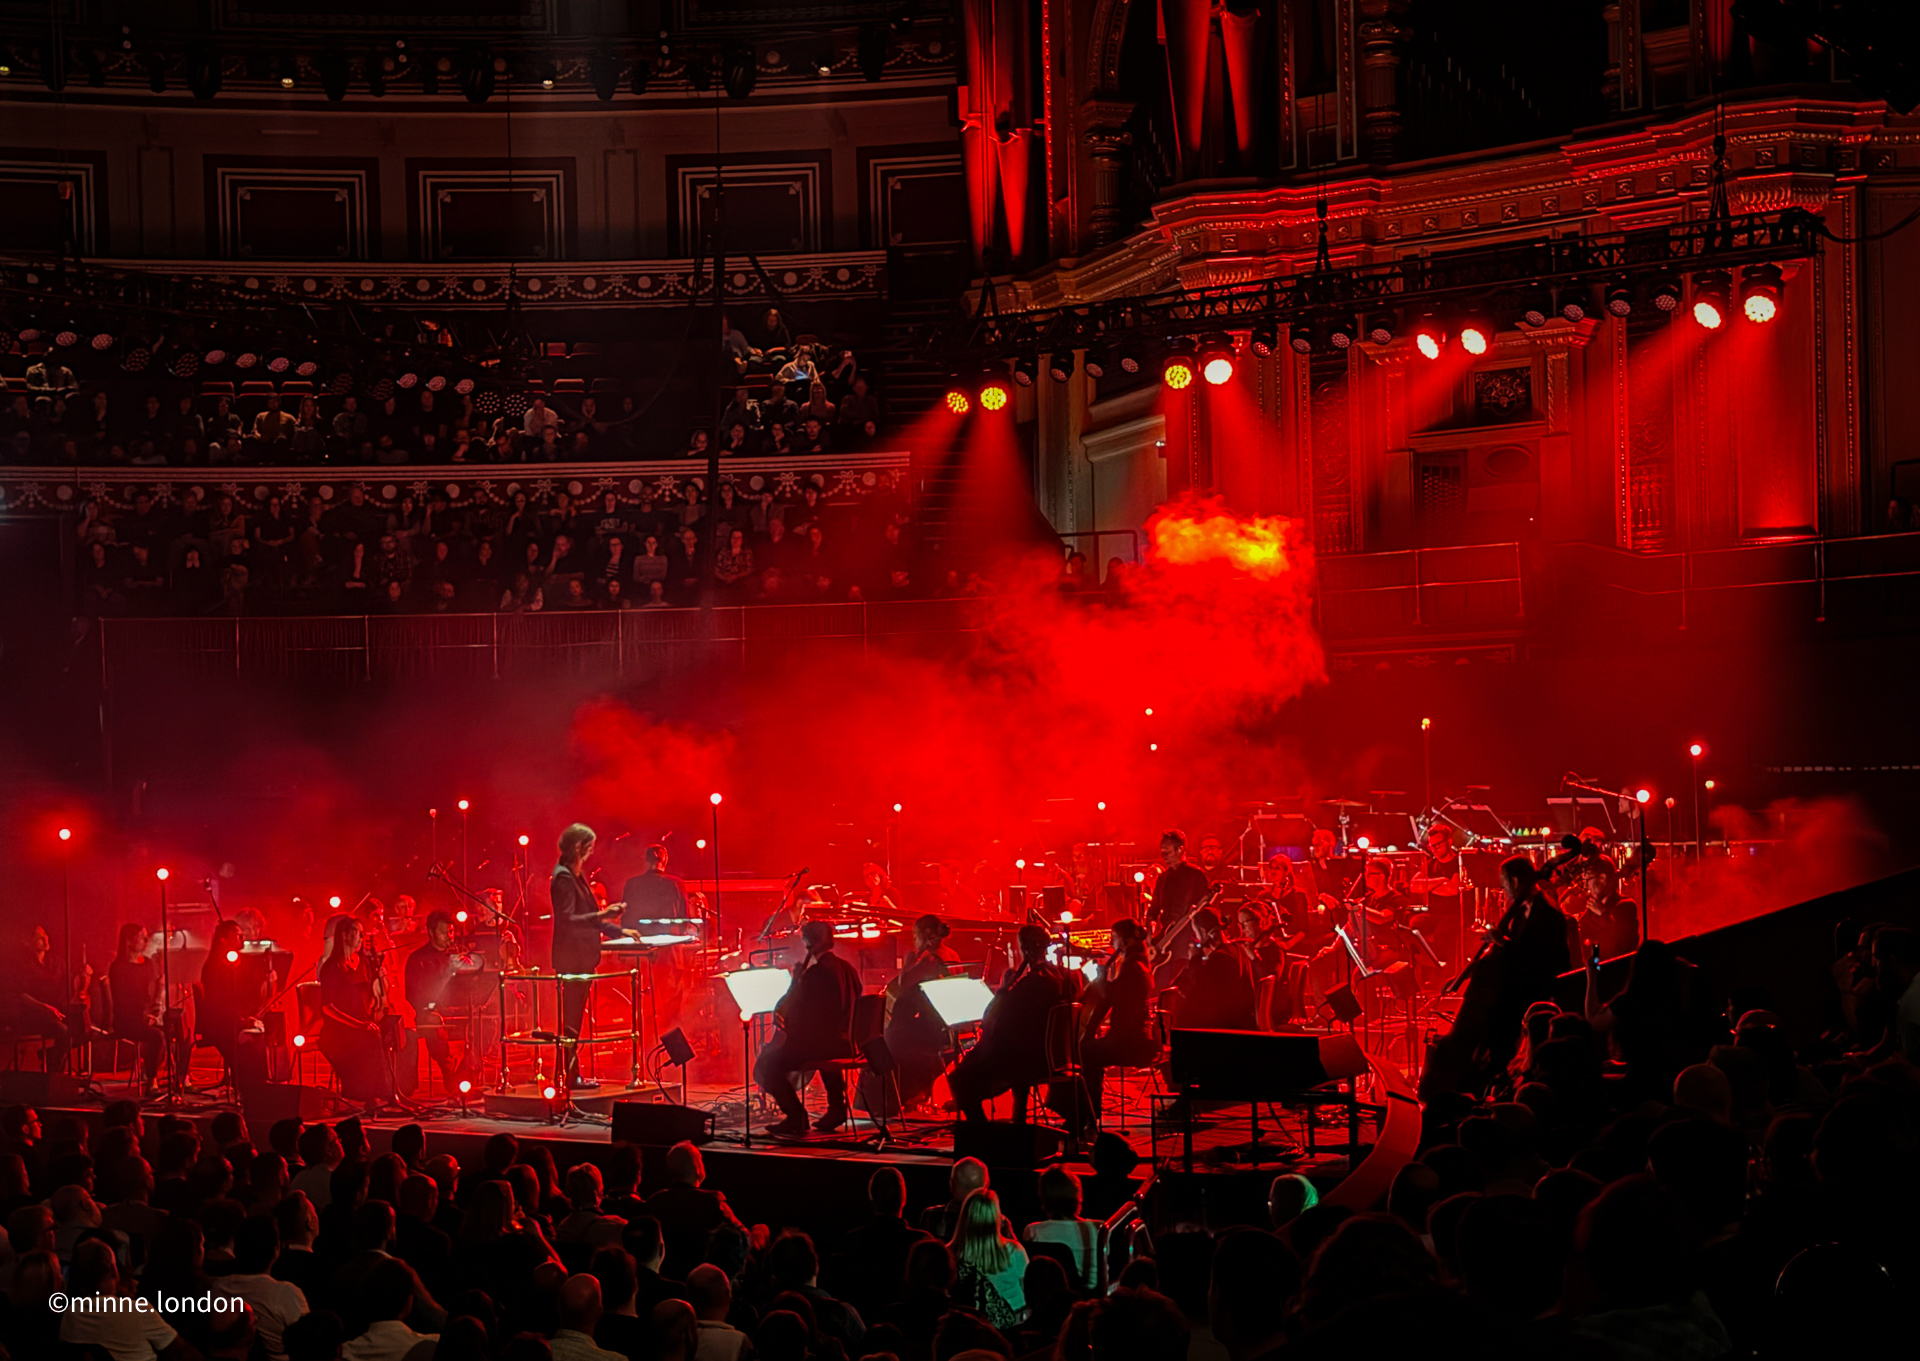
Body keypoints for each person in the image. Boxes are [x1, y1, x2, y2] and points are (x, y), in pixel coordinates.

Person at [949, 925, 1071, 1124]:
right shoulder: (1063, 978)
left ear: (1024, 950)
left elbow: (992, 1020)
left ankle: (982, 1134)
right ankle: (1015, 1124)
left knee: (959, 1079)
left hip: (1024, 1061)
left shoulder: (1029, 985)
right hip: (1051, 1057)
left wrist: (1004, 991)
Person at [754, 920, 861, 1136]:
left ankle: (796, 1116)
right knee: (826, 1050)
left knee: (768, 1065)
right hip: (848, 1043)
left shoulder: (816, 974)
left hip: (824, 1044)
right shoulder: (848, 969)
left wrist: (796, 984)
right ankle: (837, 1108)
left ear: (808, 942)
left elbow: (802, 1016)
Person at [551, 824, 630, 1091]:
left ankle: (570, 1073)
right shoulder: (563, 878)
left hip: (581, 957)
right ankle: (569, 1075)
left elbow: (589, 919)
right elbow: (569, 919)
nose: (592, 852)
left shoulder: (575, 875)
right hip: (572, 958)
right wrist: (605, 916)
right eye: (589, 846)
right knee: (571, 1019)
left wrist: (619, 931)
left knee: (574, 1018)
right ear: (578, 847)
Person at [317, 913, 397, 1112]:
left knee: (399, 1032)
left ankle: (396, 1089)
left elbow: (377, 994)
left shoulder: (365, 962)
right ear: (344, 935)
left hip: (363, 1022)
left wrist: (381, 977)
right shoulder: (332, 968)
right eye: (358, 933)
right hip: (339, 1029)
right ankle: (372, 1095)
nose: (362, 938)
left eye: (363, 934)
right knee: (369, 1039)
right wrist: (358, 1024)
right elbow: (327, 1007)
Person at [1078, 919, 1158, 1117]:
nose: (1112, 944)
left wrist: (1102, 979)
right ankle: (1089, 1111)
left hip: (1130, 1041)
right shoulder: (1139, 963)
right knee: (1089, 1049)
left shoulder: (1133, 967)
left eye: (1114, 939)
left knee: (1083, 1053)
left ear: (1127, 941)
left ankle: (1090, 1113)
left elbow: (1113, 997)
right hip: (1136, 1036)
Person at [882, 914, 962, 1111]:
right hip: (952, 1026)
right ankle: (920, 1091)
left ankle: (910, 1094)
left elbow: (903, 984)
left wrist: (910, 961)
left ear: (926, 935)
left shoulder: (931, 960)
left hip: (937, 1032)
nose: (914, 940)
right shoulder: (952, 954)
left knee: (892, 1038)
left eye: (915, 935)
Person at [641, 1142, 743, 1279]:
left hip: (666, 1275)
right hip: (704, 1278)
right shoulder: (713, 1201)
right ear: (698, 1168)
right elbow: (742, 1236)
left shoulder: (654, 1201)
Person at [198, 918, 275, 1085]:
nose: (242, 939)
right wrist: (242, 1021)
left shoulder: (244, 964)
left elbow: (249, 994)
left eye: (242, 935)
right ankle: (250, 1084)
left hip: (241, 1018)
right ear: (223, 940)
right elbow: (219, 1004)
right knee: (252, 1042)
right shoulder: (213, 968)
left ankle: (264, 1080)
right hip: (222, 1023)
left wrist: (266, 982)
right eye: (237, 935)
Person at [1, 924, 78, 1074]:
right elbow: (21, 994)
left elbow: (68, 982)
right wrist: (44, 1008)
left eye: (45, 935)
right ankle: (53, 1072)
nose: (45, 939)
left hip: (57, 1010)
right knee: (63, 1031)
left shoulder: (55, 962)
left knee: (79, 1028)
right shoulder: (24, 965)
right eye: (39, 937)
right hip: (34, 1014)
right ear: (30, 942)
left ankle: (51, 1056)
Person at [946, 1189, 1027, 1330]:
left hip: (963, 1329)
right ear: (996, 1217)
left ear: (964, 1217)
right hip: (1011, 1328)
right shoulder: (1015, 1251)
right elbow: (1027, 1293)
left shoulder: (948, 1255)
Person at [404, 910, 465, 1092]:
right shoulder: (418, 959)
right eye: (443, 932)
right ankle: (448, 1069)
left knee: (485, 1021)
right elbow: (413, 994)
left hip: (458, 1010)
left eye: (451, 932)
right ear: (430, 933)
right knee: (433, 1024)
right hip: (429, 1012)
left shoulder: (459, 954)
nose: (449, 937)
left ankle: (468, 1069)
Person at [108, 922, 170, 1098]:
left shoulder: (148, 963)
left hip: (148, 1014)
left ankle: (181, 1077)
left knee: (175, 1027)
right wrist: (143, 1016)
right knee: (156, 1036)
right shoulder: (119, 967)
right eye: (141, 937)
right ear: (129, 941)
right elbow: (121, 1001)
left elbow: (149, 993)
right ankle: (152, 1079)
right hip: (127, 1020)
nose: (146, 940)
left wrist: (157, 1004)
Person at [1021, 1168, 1106, 1294]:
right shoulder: (1100, 1229)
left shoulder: (1034, 1231)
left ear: (1044, 1196)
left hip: (1050, 1302)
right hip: (1092, 1302)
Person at [1170, 910, 1258, 1031]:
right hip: (1237, 1022)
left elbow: (1192, 990)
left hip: (1223, 1028)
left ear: (1202, 932)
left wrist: (1194, 959)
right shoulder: (1238, 950)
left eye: (1195, 934)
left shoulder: (1220, 959)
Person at [1147, 831, 1212, 982]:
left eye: (1167, 852)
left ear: (1180, 849)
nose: (1163, 856)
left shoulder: (1197, 876)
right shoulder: (1163, 878)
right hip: (1163, 942)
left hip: (1188, 943)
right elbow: (1153, 910)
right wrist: (1149, 932)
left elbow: (1206, 913)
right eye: (1162, 851)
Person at [620, 844, 692, 935]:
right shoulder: (677, 883)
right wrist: (681, 932)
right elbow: (684, 914)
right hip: (669, 937)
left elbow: (626, 914)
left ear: (646, 861)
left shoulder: (632, 883)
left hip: (641, 936)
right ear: (665, 861)